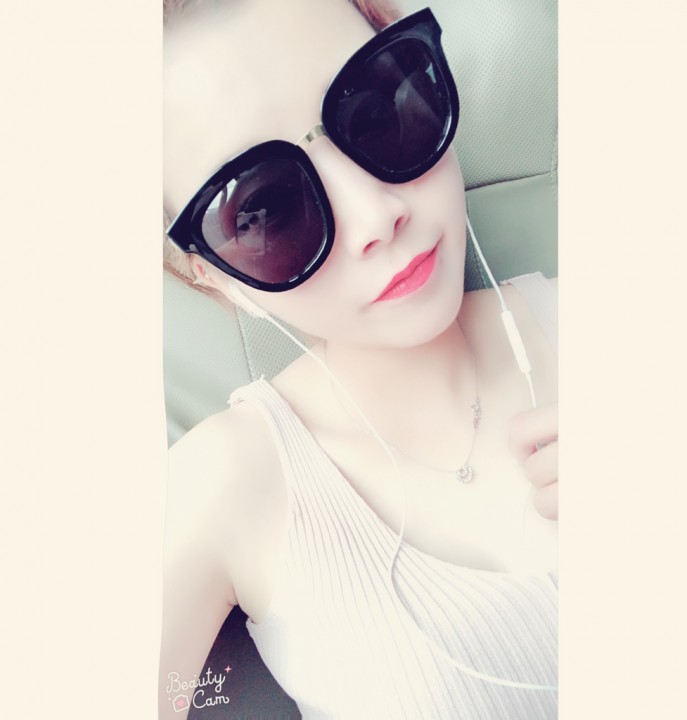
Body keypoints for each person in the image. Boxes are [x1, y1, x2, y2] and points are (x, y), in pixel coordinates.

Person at [161, 0, 558, 717]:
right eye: (264, 210)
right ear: (215, 278)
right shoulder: (221, 483)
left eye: (375, 111)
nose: (377, 215)